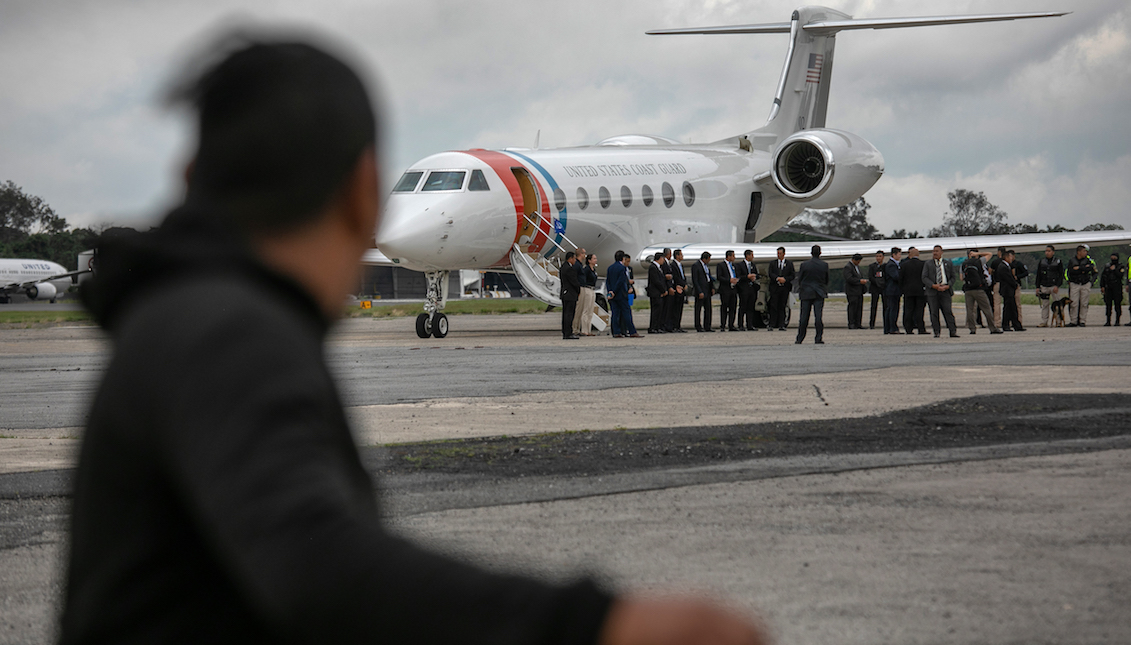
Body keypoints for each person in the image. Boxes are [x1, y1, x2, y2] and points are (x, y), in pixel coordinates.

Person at [61, 38, 769, 645]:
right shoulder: (227, 333)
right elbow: (315, 565)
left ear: (190, 178)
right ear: (364, 192)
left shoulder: (180, 317)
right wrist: (589, 625)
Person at [961, 249, 1001, 335]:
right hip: (979, 289)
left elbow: (961, 278)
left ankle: (972, 328)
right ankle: (992, 328)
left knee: (970, 310)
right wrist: (978, 253)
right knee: (987, 309)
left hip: (968, 290)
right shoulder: (979, 261)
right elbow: (989, 254)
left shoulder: (964, 264)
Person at [794, 245, 828, 344]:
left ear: (811, 253)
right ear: (820, 253)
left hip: (806, 292)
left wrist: (803, 288)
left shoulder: (804, 265)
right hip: (819, 292)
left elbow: (800, 278)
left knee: (804, 317)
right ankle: (818, 338)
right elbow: (826, 279)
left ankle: (800, 338)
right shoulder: (824, 265)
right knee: (818, 317)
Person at [922, 245, 958, 338]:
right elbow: (924, 277)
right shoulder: (928, 264)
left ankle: (952, 331)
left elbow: (953, 277)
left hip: (945, 291)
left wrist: (948, 285)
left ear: (941, 252)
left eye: (937, 251)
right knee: (934, 312)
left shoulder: (948, 263)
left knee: (947, 311)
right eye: (934, 251)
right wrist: (933, 285)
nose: (935, 253)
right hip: (933, 292)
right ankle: (936, 331)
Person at [606, 251, 639, 338]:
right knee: (626, 313)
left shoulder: (610, 268)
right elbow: (620, 281)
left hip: (612, 295)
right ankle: (632, 331)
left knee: (615, 314)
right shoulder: (622, 268)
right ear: (623, 258)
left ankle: (616, 332)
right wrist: (615, 291)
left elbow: (608, 281)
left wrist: (610, 291)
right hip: (621, 294)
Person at [1066, 244, 1097, 327]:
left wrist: (1079, 268)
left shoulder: (1088, 260)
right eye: (1084, 251)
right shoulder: (1072, 261)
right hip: (1075, 283)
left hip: (1085, 283)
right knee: (1073, 303)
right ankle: (1073, 321)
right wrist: (1083, 269)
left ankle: (1082, 321)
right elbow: (1070, 271)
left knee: (1084, 303)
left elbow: (1091, 269)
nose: (1086, 253)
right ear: (1078, 252)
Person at [899, 246, 927, 335]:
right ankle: (921, 328)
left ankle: (908, 328)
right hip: (920, 290)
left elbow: (900, 278)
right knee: (919, 310)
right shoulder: (923, 264)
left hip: (908, 291)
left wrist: (903, 289)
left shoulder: (904, 265)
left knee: (908, 310)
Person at [1035, 245, 1064, 327]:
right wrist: (1037, 287)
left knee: (1057, 305)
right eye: (1046, 251)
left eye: (1049, 251)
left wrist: (1057, 285)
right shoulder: (1042, 262)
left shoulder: (1058, 262)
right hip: (1044, 285)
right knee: (1045, 305)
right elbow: (1038, 275)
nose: (1047, 253)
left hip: (1054, 286)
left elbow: (1060, 275)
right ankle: (1044, 321)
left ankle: (1058, 322)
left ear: (1053, 252)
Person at [767, 247, 794, 331]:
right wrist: (777, 278)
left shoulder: (789, 264)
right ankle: (772, 324)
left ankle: (781, 324)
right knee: (773, 306)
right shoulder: (773, 263)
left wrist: (785, 279)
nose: (779, 255)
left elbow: (792, 275)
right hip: (775, 288)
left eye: (780, 253)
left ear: (784, 254)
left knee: (782, 306)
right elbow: (770, 273)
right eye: (778, 253)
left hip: (784, 288)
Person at [997, 250, 1024, 332]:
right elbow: (1008, 278)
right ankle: (1006, 325)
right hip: (1007, 290)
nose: (1011, 259)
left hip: (1009, 290)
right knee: (1008, 308)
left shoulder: (1007, 266)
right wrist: (1015, 284)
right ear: (1006, 257)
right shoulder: (1002, 267)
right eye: (1010, 257)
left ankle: (1016, 325)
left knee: (1012, 308)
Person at [574, 253, 598, 335]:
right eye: (594, 258)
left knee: (591, 310)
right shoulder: (586, 269)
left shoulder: (593, 269)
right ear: (589, 260)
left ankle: (588, 330)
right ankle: (584, 330)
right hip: (587, 289)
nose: (596, 260)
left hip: (592, 289)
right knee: (586, 310)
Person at [736, 249, 760, 330]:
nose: (753, 257)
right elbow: (738, 276)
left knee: (751, 307)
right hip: (744, 289)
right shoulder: (740, 265)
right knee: (743, 307)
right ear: (747, 255)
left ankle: (749, 324)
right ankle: (740, 325)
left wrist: (754, 277)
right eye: (751, 255)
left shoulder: (753, 264)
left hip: (752, 289)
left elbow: (757, 274)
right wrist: (747, 277)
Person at [843, 253, 868, 329]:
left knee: (859, 307)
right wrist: (859, 281)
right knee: (852, 307)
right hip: (852, 291)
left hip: (859, 291)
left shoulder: (857, 267)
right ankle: (851, 323)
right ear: (854, 260)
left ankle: (858, 323)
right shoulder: (848, 267)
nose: (859, 263)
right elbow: (849, 278)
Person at [716, 250, 739, 331]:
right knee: (724, 307)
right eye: (733, 256)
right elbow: (719, 277)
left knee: (733, 307)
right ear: (728, 256)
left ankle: (731, 325)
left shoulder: (734, 265)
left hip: (733, 289)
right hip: (725, 289)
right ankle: (723, 325)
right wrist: (729, 280)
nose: (734, 257)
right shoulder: (721, 265)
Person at [1100, 252, 1125, 326]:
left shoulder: (1120, 266)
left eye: (1115, 257)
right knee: (1108, 304)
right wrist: (1102, 286)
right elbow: (1103, 276)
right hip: (1108, 287)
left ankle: (1117, 320)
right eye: (1112, 257)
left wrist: (1115, 270)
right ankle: (1108, 320)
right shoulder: (1107, 266)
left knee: (1117, 304)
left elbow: (1121, 275)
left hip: (1117, 288)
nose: (1113, 259)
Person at [646, 251, 669, 334]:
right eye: (663, 259)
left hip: (659, 293)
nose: (663, 260)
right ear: (659, 258)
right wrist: (663, 290)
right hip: (655, 293)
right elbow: (656, 281)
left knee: (659, 311)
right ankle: (653, 327)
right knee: (655, 311)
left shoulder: (659, 267)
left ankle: (658, 327)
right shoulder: (653, 267)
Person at [691, 251, 714, 332]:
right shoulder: (696, 266)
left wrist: (712, 287)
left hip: (707, 289)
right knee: (698, 309)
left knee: (708, 309)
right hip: (700, 290)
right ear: (705, 259)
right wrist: (699, 291)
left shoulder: (706, 266)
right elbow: (695, 280)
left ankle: (707, 325)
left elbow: (709, 277)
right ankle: (698, 325)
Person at [560, 251, 581, 339]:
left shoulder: (562, 267)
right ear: (570, 258)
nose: (575, 261)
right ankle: (568, 332)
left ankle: (565, 331)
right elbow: (574, 282)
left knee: (565, 313)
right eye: (574, 259)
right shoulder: (569, 269)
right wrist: (578, 290)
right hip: (570, 294)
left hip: (565, 293)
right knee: (569, 314)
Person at [883, 247, 903, 334]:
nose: (900, 256)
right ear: (893, 254)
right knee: (893, 309)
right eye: (899, 254)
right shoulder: (891, 265)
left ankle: (889, 327)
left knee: (892, 308)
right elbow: (896, 277)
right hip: (892, 290)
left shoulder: (895, 264)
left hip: (894, 290)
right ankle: (892, 327)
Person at [668, 249, 688, 332]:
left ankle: (678, 325)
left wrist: (685, 284)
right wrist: (681, 285)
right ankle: (674, 326)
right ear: (677, 256)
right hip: (678, 288)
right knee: (675, 309)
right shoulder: (673, 265)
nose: (682, 256)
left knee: (680, 309)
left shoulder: (680, 265)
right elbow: (676, 277)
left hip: (682, 289)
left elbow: (682, 276)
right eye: (681, 254)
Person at [988, 246, 1007, 330]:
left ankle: (997, 321)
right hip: (1006, 283)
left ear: (999, 252)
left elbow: (990, 271)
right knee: (1007, 303)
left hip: (997, 283)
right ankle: (1007, 321)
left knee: (997, 303)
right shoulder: (1006, 262)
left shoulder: (995, 262)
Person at [867, 250, 885, 329]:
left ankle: (886, 323)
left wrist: (882, 284)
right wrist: (877, 282)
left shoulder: (885, 266)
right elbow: (870, 277)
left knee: (885, 306)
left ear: (883, 257)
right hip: (875, 288)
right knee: (873, 306)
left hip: (883, 288)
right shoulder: (872, 266)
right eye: (877, 256)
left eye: (880, 256)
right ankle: (872, 323)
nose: (878, 258)